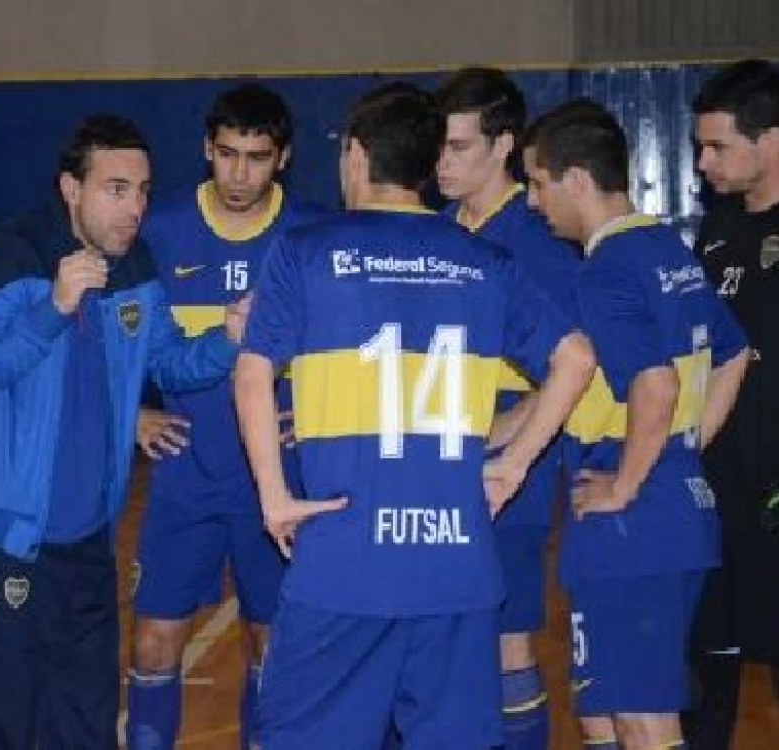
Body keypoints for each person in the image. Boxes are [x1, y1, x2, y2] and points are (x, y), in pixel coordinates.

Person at [234, 81, 595, 750]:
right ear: (430, 163)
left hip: (344, 564)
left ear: (355, 153)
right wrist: (513, 466)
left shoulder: (306, 251)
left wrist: (274, 497)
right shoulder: (486, 261)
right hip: (456, 567)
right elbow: (575, 358)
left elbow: (253, 373)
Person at [0, 114, 247, 750]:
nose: (134, 208)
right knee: (1, 728)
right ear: (71, 188)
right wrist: (52, 308)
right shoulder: (11, 253)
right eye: (116, 189)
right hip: (8, 544)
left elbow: (169, 362)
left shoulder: (133, 264)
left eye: (142, 191)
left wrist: (228, 338)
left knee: (85, 726)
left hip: (89, 545)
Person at [523, 100, 750, 750]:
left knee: (641, 720)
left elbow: (657, 385)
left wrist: (625, 484)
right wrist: (684, 446)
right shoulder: (665, 249)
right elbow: (734, 353)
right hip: (669, 505)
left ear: (575, 180)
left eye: (538, 183)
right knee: (605, 709)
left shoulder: (606, 270)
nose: (534, 203)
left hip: (633, 522)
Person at [126, 83, 325, 749]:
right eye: (227, 154)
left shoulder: (311, 237)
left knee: (270, 647)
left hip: (276, 480)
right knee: (152, 643)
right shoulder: (159, 229)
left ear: (283, 158)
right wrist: (132, 416)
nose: (239, 174)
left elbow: (353, 346)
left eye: (257, 157)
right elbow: (108, 337)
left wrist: (319, 414)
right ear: (206, 148)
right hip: (185, 474)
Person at [434, 66, 580, 750]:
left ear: (503, 146)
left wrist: (499, 436)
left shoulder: (539, 240)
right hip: (434, 469)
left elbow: (574, 367)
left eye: (458, 146)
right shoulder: (436, 231)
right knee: (442, 642)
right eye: (437, 144)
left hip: (504, 477)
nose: (440, 161)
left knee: (506, 642)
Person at [683, 58, 779, 750]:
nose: (703, 163)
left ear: (770, 139)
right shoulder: (715, 231)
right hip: (717, 491)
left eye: (717, 146)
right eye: (699, 147)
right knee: (702, 676)